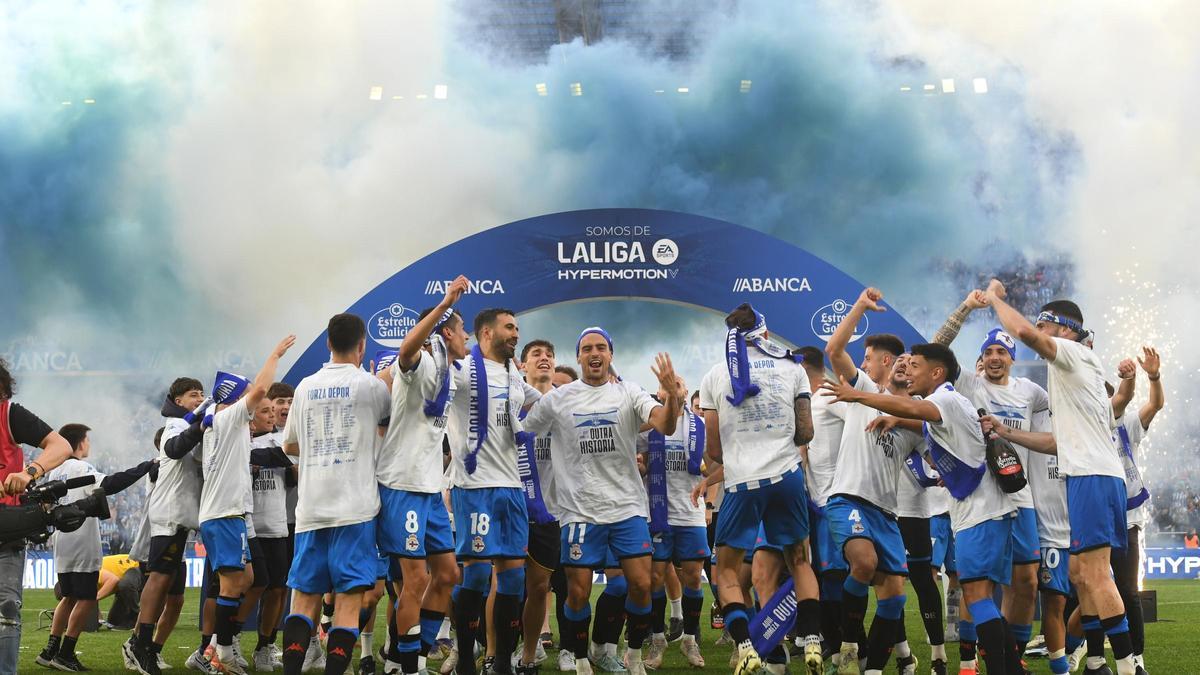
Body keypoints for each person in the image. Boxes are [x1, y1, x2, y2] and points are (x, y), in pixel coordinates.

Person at [821, 341, 1019, 675]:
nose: (909, 370)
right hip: (986, 511)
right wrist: (895, 421)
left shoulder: (942, 398)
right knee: (978, 597)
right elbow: (921, 424)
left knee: (978, 598)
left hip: (978, 512)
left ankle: (999, 669)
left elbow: (915, 412)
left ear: (936, 372)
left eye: (915, 366)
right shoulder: (949, 403)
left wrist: (860, 397)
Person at [984, 280, 1139, 675]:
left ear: (1063, 327)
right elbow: (1058, 442)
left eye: (1044, 323)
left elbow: (1022, 333)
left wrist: (996, 300)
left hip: (1092, 478)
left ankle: (1128, 667)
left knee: (1095, 575)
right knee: (1080, 575)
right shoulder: (1075, 374)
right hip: (1092, 475)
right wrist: (1006, 431)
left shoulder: (1071, 353)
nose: (1039, 329)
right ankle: (1098, 663)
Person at [522, 327, 682, 675]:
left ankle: (634, 655)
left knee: (641, 586)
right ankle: (581, 659)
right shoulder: (560, 398)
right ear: (579, 357)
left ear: (610, 355)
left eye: (601, 348)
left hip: (627, 508)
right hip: (579, 512)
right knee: (576, 594)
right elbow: (522, 432)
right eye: (586, 349)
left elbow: (665, 425)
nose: (594, 353)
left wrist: (674, 398)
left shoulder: (629, 392)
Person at [699, 304, 821, 675]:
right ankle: (812, 640)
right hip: (787, 477)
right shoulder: (793, 367)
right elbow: (806, 433)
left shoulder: (715, 375)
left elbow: (714, 450)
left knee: (728, 574)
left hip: (741, 482)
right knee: (800, 562)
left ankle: (747, 647)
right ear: (765, 335)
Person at [934, 292, 1051, 664]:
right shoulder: (970, 385)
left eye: (1003, 352)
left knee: (1027, 584)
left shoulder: (1033, 394)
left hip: (1022, 499)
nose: (996, 358)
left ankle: (1010, 659)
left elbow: (1047, 438)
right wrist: (966, 306)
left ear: (1012, 358)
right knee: (980, 585)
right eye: (989, 353)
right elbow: (935, 350)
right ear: (981, 359)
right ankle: (970, 664)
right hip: (982, 501)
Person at [281, 314, 390, 675]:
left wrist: (320, 449)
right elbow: (389, 434)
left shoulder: (305, 387)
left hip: (312, 509)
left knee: (304, 602)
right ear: (362, 346)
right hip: (355, 511)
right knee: (346, 604)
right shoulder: (372, 386)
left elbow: (291, 443)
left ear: (328, 343)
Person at [375, 277, 469, 675]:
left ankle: (403, 657)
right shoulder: (423, 364)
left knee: (447, 574)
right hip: (402, 485)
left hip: (430, 489)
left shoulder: (453, 371)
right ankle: (409, 669)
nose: (468, 338)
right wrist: (446, 302)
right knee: (414, 581)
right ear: (447, 332)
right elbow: (406, 349)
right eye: (463, 330)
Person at [821, 289, 914, 675]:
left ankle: (872, 668)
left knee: (893, 597)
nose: (863, 363)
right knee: (864, 563)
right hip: (847, 499)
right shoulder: (867, 389)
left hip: (887, 513)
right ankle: (846, 644)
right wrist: (859, 306)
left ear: (886, 362)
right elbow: (834, 348)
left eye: (868, 357)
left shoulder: (917, 419)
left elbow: (928, 428)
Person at [445, 308, 543, 675]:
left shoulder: (514, 375)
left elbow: (533, 399)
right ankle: (466, 658)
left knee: (514, 577)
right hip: (475, 486)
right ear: (486, 333)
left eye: (518, 327)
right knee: (475, 576)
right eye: (509, 327)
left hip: (512, 487)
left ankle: (502, 661)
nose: (516, 333)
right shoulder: (462, 370)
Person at [196, 336, 295, 675]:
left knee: (251, 577)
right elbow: (260, 389)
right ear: (235, 399)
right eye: (248, 394)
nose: (256, 400)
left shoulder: (221, 425)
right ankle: (220, 652)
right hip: (224, 515)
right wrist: (274, 355)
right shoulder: (226, 420)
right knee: (231, 584)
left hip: (230, 514)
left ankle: (221, 646)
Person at [35, 423, 155, 671]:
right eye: (87, 440)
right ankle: (66, 653)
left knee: (68, 597)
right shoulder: (81, 466)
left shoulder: (54, 471)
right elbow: (109, 484)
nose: (89, 444)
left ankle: (50, 650)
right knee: (86, 598)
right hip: (81, 541)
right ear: (78, 442)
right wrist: (145, 467)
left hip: (62, 542)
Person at [127, 376, 208, 675]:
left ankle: (143, 643)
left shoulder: (188, 424)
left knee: (167, 583)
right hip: (170, 513)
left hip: (180, 514)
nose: (199, 398)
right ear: (177, 401)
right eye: (192, 394)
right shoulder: (176, 424)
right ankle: (140, 642)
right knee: (159, 578)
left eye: (201, 393)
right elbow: (174, 448)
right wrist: (201, 424)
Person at [0, 358, 73, 675]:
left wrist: (30, 471)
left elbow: (60, 445)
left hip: (7, 527)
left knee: (6, 610)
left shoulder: (9, 413)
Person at [637, 375, 707, 669]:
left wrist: (709, 481)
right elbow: (635, 460)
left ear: (685, 390)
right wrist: (640, 467)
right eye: (667, 386)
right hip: (658, 512)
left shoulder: (699, 425)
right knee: (654, 578)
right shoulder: (649, 427)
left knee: (692, 576)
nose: (673, 390)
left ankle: (689, 639)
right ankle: (657, 639)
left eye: (677, 384)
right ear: (658, 393)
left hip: (690, 513)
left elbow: (714, 462)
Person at [1109, 346, 1164, 674]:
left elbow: (1155, 403)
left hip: (1128, 517)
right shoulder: (1083, 427)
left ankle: (1136, 659)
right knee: (1086, 588)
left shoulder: (1127, 421)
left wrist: (1153, 376)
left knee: (1128, 590)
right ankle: (1083, 651)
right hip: (1094, 514)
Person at [516, 338, 565, 673]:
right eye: (536, 355)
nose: (544, 359)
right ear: (523, 366)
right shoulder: (509, 402)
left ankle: (570, 649)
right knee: (508, 586)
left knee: (564, 584)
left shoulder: (566, 404)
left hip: (560, 510)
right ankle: (510, 648)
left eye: (549, 355)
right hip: (515, 509)